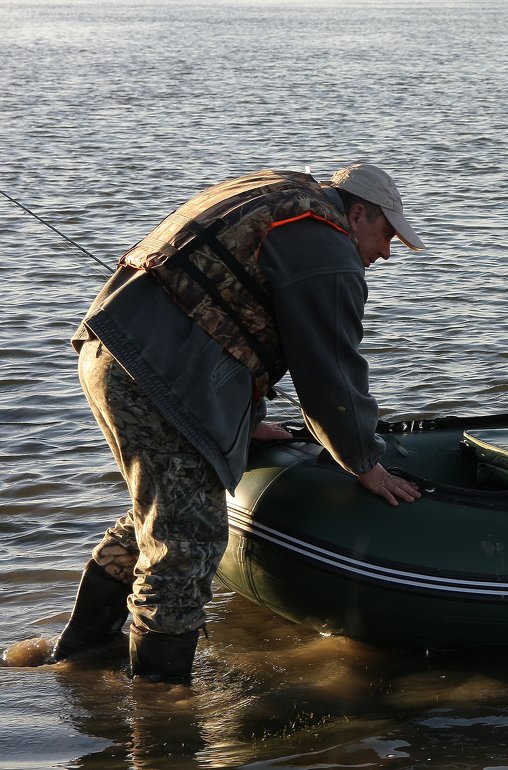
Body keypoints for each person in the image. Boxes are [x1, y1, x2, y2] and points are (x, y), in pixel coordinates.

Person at [2, 163, 425, 684]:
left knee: (159, 513)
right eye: (386, 235)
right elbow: (330, 371)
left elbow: (231, 302)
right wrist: (364, 463)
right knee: (187, 542)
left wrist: (247, 422)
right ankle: (160, 704)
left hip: (110, 349)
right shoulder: (327, 246)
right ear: (357, 213)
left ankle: (79, 655)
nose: (385, 252)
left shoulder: (278, 192)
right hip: (158, 375)